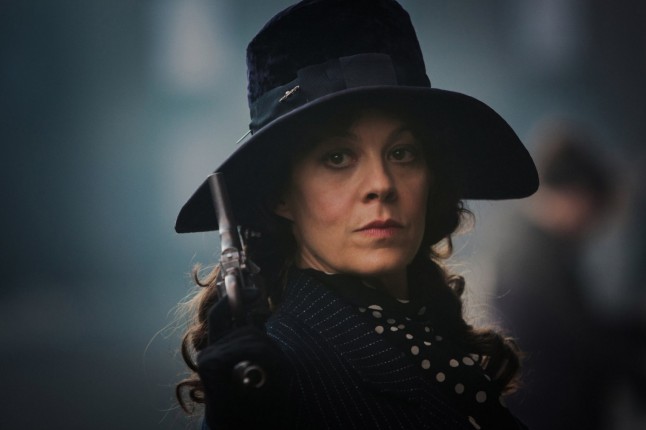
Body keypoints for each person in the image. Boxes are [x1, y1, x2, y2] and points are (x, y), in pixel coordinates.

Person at [173, 1, 538, 429]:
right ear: (280, 195)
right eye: (338, 157)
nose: (381, 184)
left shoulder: (428, 337)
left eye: (402, 153)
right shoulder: (282, 377)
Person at [490, 123, 618, 429]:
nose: (591, 225)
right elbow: (577, 339)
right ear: (573, 195)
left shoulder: (536, 246)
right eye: (591, 209)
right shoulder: (530, 257)